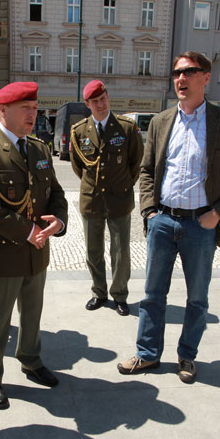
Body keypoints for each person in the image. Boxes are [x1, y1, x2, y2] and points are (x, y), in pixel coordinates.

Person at [117, 51, 220, 384]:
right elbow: (146, 170)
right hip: (163, 221)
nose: (181, 78)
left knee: (197, 298)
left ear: (206, 77)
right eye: (177, 73)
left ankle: (187, 355)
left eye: (189, 72)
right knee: (152, 295)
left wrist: (218, 213)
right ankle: (148, 354)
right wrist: (149, 211)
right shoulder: (161, 122)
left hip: (201, 226)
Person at [0, 82, 68, 410]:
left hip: (36, 252)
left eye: (34, 108)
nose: (32, 115)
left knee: (32, 314)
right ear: (3, 111)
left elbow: (56, 192)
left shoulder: (39, 148)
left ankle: (31, 360)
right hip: (1, 253)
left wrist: (59, 221)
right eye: (25, 109)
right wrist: (27, 230)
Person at [70, 80, 143, 316]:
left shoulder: (127, 128)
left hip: (119, 199)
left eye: (103, 99)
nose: (100, 104)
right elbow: (79, 167)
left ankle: (120, 294)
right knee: (93, 250)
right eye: (95, 101)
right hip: (91, 200)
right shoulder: (79, 131)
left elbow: (135, 163)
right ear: (87, 104)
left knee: (120, 252)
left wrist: (122, 184)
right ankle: (99, 292)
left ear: (108, 98)